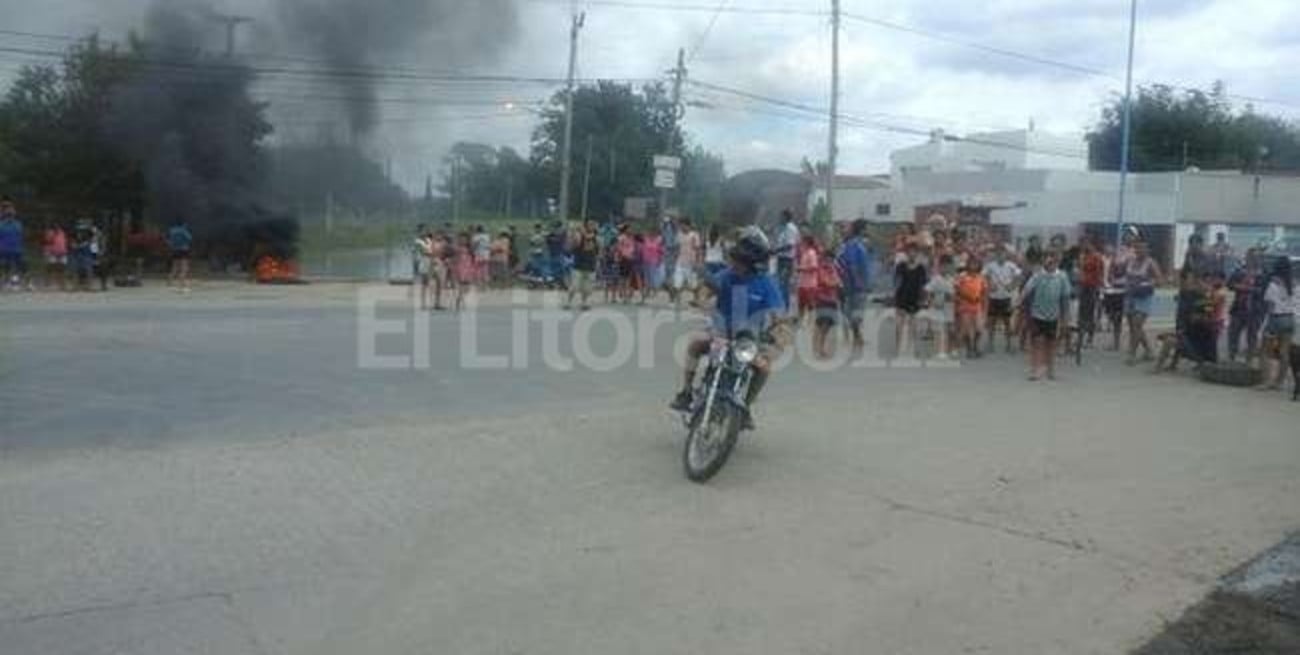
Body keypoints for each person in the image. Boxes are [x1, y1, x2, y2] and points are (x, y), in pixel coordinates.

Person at [670, 227, 788, 431]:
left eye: (739, 262)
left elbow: (779, 317)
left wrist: (778, 333)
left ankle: (746, 407)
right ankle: (686, 391)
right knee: (695, 344)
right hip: (720, 334)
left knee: (764, 367)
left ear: (750, 263)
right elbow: (705, 291)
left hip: (748, 341)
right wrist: (702, 300)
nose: (735, 265)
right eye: (735, 260)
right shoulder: (726, 275)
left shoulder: (766, 284)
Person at [1022, 251, 1072, 381]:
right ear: (1044, 261)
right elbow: (1026, 292)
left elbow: (1065, 299)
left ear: (1057, 262)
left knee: (1051, 344)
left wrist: (1065, 319)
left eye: (1053, 261)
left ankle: (1050, 369)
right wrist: (1021, 307)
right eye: (1047, 260)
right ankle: (1035, 369)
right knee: (1037, 342)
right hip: (1037, 314)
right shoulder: (1037, 276)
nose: (1050, 263)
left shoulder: (1062, 277)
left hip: (1053, 316)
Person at [1258, 257, 1295, 391]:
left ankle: (1266, 381)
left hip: (1276, 318)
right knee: (1284, 352)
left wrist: (1264, 325)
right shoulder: (1293, 284)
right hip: (1289, 318)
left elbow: (1270, 307)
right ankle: (1280, 382)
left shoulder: (1273, 284)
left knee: (1264, 351)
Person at [837, 219, 873, 354]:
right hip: (850, 284)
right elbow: (848, 265)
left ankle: (857, 336)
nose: (842, 231)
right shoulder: (849, 245)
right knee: (852, 311)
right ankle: (857, 336)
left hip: (855, 284)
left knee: (854, 311)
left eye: (845, 228)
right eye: (867, 228)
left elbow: (856, 265)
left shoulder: (855, 244)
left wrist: (861, 282)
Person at [1124, 241, 1162, 366]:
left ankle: (1132, 354)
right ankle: (1149, 350)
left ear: (1147, 250)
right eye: (1138, 248)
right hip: (1131, 296)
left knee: (1137, 323)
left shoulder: (1151, 263)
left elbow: (1160, 280)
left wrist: (1146, 284)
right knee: (1134, 327)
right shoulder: (1131, 261)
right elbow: (1127, 276)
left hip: (1144, 297)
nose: (1139, 251)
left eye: (1142, 248)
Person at [1227, 249, 1264, 362]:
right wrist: (1239, 287)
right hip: (1239, 308)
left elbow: (1265, 291)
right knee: (1233, 334)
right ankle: (1231, 358)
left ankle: (1249, 361)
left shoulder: (1263, 273)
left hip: (1255, 310)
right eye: (1251, 257)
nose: (1253, 260)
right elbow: (1229, 284)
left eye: (1256, 257)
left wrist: (1249, 289)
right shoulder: (1239, 271)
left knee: (1252, 337)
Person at [982, 246, 1021, 354]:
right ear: (995, 255)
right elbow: (983, 276)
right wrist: (989, 284)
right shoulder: (990, 266)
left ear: (1006, 255)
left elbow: (1019, 276)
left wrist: (1012, 286)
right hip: (993, 297)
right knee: (992, 322)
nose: (1001, 256)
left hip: (1006, 298)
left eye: (1003, 253)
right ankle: (990, 344)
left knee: (1007, 322)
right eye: (998, 254)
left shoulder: (1011, 265)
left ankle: (1009, 344)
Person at [893, 243, 928, 358]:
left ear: (917, 254)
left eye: (914, 252)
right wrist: (894, 295)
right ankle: (897, 348)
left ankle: (913, 347)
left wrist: (923, 299)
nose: (912, 254)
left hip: (915, 298)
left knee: (913, 325)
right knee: (899, 324)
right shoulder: (901, 266)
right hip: (901, 297)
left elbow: (924, 285)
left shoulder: (921, 268)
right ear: (907, 253)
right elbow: (896, 282)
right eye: (910, 251)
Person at [922, 255, 955, 360]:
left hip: (949, 307)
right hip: (938, 308)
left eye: (948, 266)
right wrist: (930, 302)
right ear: (939, 267)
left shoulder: (952, 279)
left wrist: (952, 298)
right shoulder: (936, 278)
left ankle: (948, 349)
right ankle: (940, 351)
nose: (945, 268)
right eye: (943, 266)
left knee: (949, 329)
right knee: (939, 330)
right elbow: (927, 291)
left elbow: (954, 294)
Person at [811, 249, 842, 360]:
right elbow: (827, 282)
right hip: (822, 299)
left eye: (831, 259)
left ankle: (820, 347)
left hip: (832, 299)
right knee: (822, 324)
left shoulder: (833, 268)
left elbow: (838, 281)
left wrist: (835, 283)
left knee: (827, 326)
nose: (829, 261)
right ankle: (819, 348)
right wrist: (835, 283)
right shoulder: (820, 269)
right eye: (828, 258)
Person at [954, 257, 988, 359]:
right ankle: (969, 348)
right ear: (967, 264)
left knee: (979, 329)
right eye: (971, 263)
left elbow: (984, 294)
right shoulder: (962, 276)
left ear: (979, 265)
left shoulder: (981, 278)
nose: (973, 266)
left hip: (977, 306)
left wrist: (985, 308)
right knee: (966, 329)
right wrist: (963, 298)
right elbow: (956, 290)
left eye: (975, 263)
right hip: (965, 306)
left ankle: (975, 345)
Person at [1076, 240, 1104, 348]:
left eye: (1087, 244)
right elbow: (1080, 270)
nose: (1085, 246)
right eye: (1083, 244)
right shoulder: (1083, 256)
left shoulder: (1097, 257)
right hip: (1083, 287)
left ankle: (1090, 339)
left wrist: (1098, 287)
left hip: (1092, 287)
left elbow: (1099, 273)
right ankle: (1081, 337)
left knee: (1090, 313)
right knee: (1081, 312)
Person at [566, 220, 599, 311]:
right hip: (578, 265)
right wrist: (573, 232)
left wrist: (597, 262)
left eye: (593, 225)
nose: (592, 227)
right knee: (574, 286)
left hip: (590, 265)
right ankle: (568, 301)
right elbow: (573, 245)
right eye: (590, 225)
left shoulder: (595, 238)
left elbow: (597, 251)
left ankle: (584, 302)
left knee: (587, 288)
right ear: (586, 226)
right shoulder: (579, 236)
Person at [1102, 244, 1127, 351]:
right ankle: (1115, 342)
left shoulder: (1125, 263)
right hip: (1110, 292)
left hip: (1120, 293)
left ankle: (1116, 343)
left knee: (1117, 318)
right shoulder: (1111, 262)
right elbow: (1109, 276)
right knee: (1111, 316)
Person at [774, 209, 800, 308]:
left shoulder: (790, 229)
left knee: (783, 284)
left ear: (786, 217)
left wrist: (776, 251)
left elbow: (790, 245)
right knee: (780, 284)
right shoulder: (783, 228)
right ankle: (782, 306)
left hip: (786, 260)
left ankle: (784, 307)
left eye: (781, 216)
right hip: (782, 258)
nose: (780, 218)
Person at [673, 218, 702, 307]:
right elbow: (677, 247)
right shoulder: (679, 235)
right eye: (680, 225)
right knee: (677, 282)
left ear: (687, 225)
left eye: (682, 225)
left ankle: (696, 299)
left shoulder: (694, 235)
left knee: (693, 284)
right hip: (680, 262)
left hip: (691, 263)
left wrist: (698, 262)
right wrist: (675, 257)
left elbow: (698, 249)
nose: (681, 227)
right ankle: (678, 300)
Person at [0, 199, 27, 291]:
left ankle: (14, 283)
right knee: (6, 266)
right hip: (5, 249)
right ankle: (7, 282)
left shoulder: (17, 224)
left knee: (16, 266)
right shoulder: (2, 224)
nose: (10, 216)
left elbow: (20, 236)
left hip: (15, 249)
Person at [795, 234, 822, 323]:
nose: (801, 244)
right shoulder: (804, 253)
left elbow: (814, 267)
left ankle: (811, 323)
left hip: (810, 285)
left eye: (802, 242)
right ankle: (800, 321)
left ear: (806, 242)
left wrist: (802, 269)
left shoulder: (811, 253)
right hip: (802, 284)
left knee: (810, 306)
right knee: (801, 305)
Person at [167, 219, 194, 291]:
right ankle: (182, 285)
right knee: (184, 268)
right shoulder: (183, 230)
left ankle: (169, 283)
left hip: (174, 250)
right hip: (183, 250)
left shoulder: (172, 230)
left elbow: (169, 240)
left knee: (174, 267)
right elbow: (189, 238)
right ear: (183, 224)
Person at [42, 220, 68, 291]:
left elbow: (64, 243)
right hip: (53, 253)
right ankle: (47, 283)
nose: (57, 228)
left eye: (58, 226)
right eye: (55, 226)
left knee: (61, 269)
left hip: (62, 253)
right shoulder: (50, 233)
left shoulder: (62, 233)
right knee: (50, 268)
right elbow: (46, 243)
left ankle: (62, 284)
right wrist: (47, 252)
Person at [640, 228, 665, 304]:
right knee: (646, 278)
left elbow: (661, 251)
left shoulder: (658, 241)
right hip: (645, 261)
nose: (651, 235)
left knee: (653, 277)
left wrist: (660, 260)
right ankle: (647, 292)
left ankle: (655, 291)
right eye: (650, 233)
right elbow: (642, 249)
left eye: (653, 233)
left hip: (654, 261)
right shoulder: (645, 240)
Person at [453, 232, 475, 312]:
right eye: (462, 239)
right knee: (462, 286)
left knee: (467, 287)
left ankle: (459, 300)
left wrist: (472, 268)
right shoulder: (458, 248)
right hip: (461, 267)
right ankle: (460, 302)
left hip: (468, 267)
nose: (463, 240)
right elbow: (455, 258)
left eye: (465, 239)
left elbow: (473, 258)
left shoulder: (470, 248)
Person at [472, 225, 491, 289]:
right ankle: (486, 285)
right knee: (485, 270)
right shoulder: (487, 236)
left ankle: (479, 285)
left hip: (478, 254)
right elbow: (488, 245)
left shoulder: (475, 237)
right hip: (486, 254)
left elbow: (474, 246)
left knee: (478, 270)